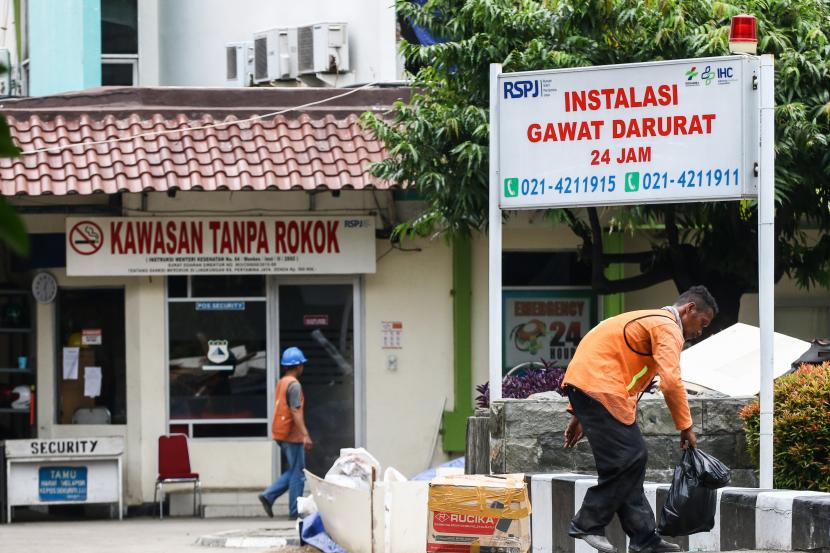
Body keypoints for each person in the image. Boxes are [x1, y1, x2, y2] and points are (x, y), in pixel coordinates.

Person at [561, 285, 718, 553]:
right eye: (701, 324)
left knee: (628, 463)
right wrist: (686, 426)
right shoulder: (668, 327)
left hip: (592, 388)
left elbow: (606, 356)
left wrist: (579, 414)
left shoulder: (649, 319)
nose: (698, 332)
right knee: (632, 458)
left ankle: (644, 538)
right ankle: (587, 522)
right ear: (689, 309)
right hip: (601, 390)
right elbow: (671, 382)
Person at [258, 346, 314, 519]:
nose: (303, 367)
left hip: (282, 433)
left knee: (294, 471)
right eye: (302, 364)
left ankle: (269, 496)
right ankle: (294, 511)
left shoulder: (283, 382)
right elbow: (295, 411)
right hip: (292, 435)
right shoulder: (294, 385)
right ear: (298, 366)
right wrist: (305, 434)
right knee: (298, 474)